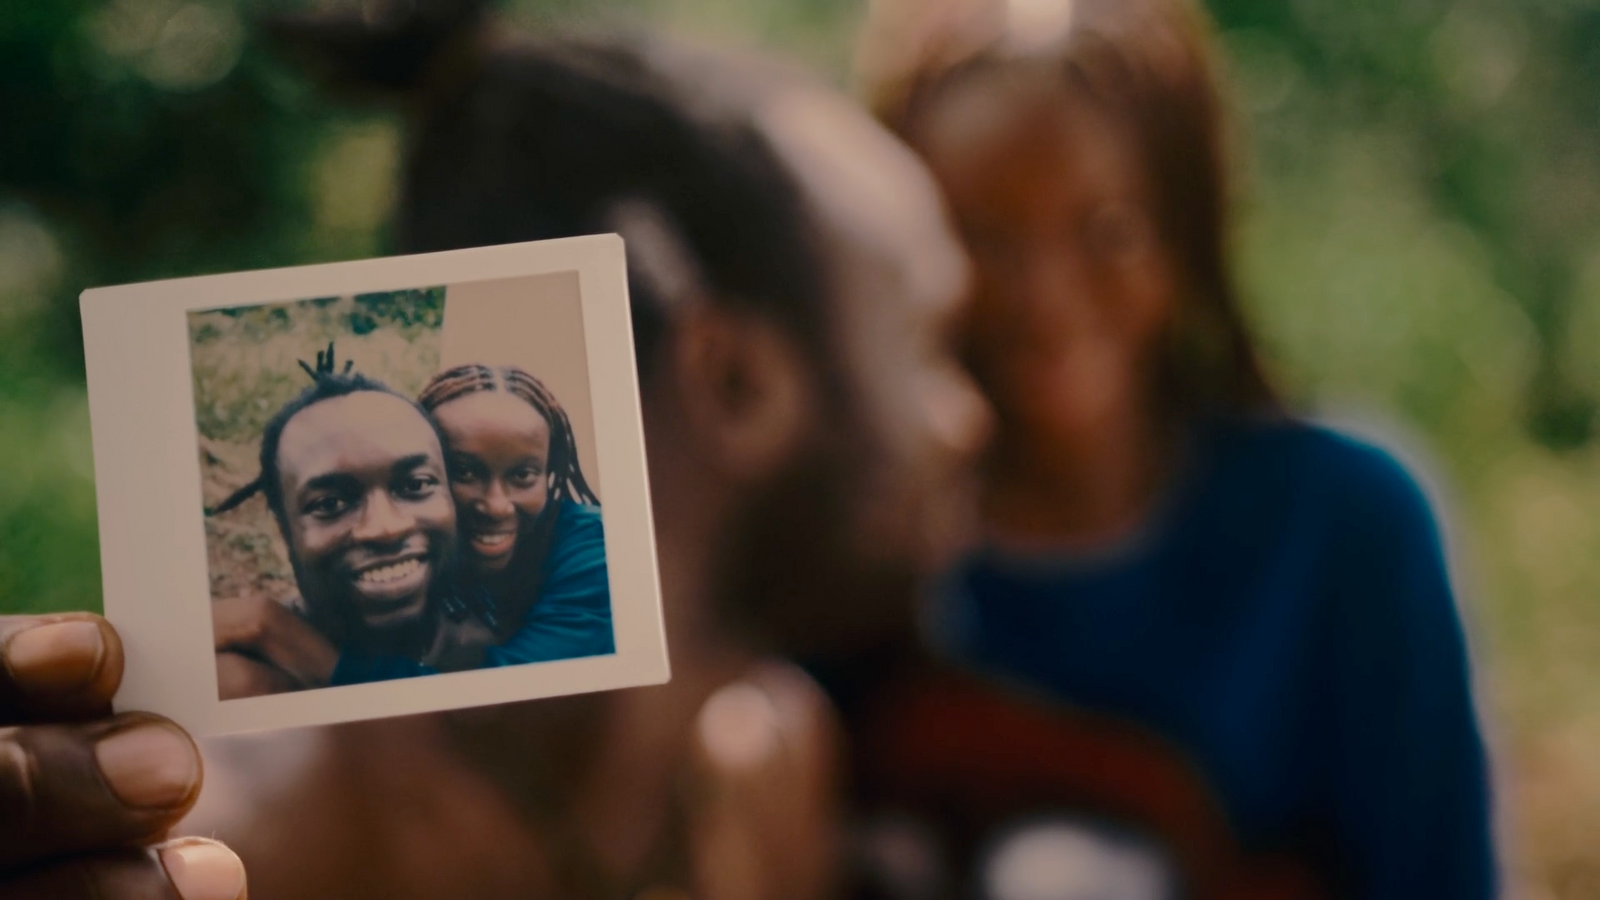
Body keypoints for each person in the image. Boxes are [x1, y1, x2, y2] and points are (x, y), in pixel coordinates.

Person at [0, 10, 989, 900]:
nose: (968, 418)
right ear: (734, 382)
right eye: (928, 345)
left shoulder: (767, 765)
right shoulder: (239, 847)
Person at [855, 0, 1496, 896]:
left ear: (1187, 232)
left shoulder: (1349, 525)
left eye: (1108, 227)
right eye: (983, 237)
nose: (1044, 294)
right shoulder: (854, 554)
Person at [329, 363, 616, 685]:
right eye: (464, 472)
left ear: (548, 472)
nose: (496, 506)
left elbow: (505, 691)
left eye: (523, 475)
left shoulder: (595, 552)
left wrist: (318, 662)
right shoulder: (407, 543)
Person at [206, 346, 469, 698]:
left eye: (416, 485)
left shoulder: (520, 637)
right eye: (330, 504)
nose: (385, 527)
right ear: (283, 529)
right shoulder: (237, 684)